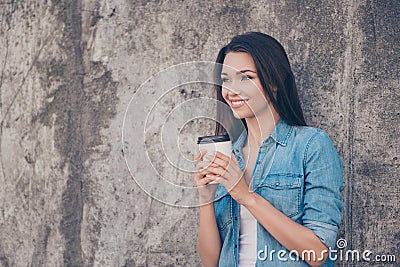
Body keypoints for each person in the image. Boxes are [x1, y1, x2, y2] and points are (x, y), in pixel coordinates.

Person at [194, 32, 344, 267]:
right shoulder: (228, 157)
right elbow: (211, 261)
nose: (231, 91)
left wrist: (246, 196)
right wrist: (205, 198)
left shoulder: (310, 146)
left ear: (273, 82)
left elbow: (319, 253)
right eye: (226, 79)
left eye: (246, 78)